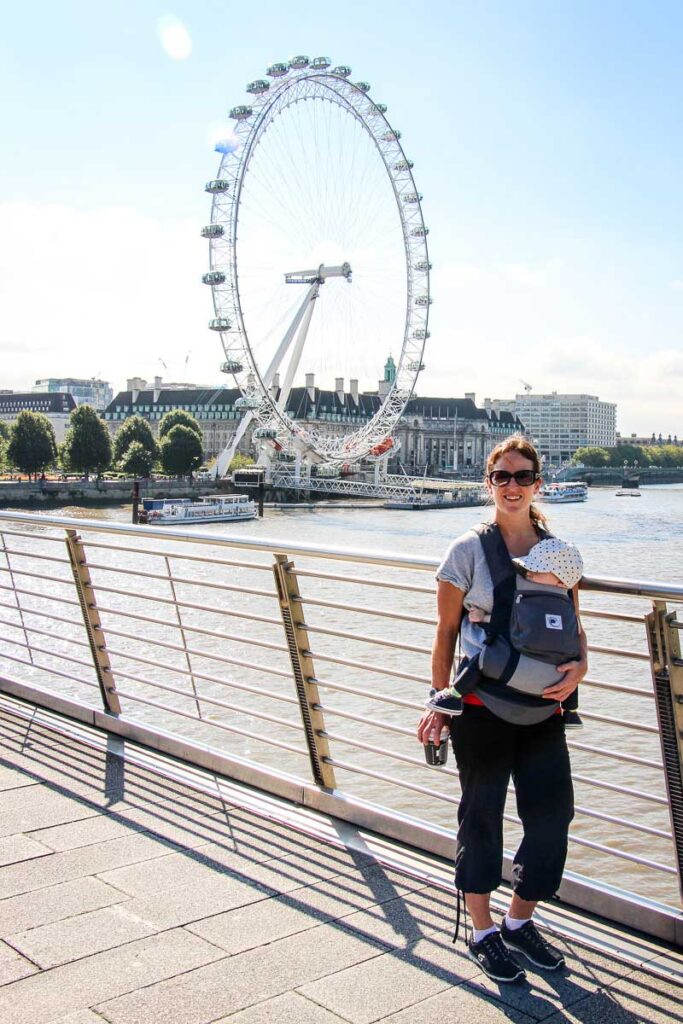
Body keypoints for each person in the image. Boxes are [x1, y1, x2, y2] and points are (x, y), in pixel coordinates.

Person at [417, 436, 587, 983]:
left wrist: (581, 667)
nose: (512, 486)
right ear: (488, 483)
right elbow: (445, 636)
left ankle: (519, 920)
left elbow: (573, 623)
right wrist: (438, 704)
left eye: (522, 476)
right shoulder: (466, 551)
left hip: (543, 710)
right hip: (481, 708)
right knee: (482, 817)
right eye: (501, 476)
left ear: (538, 482)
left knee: (552, 819)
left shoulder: (557, 551)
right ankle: (484, 931)